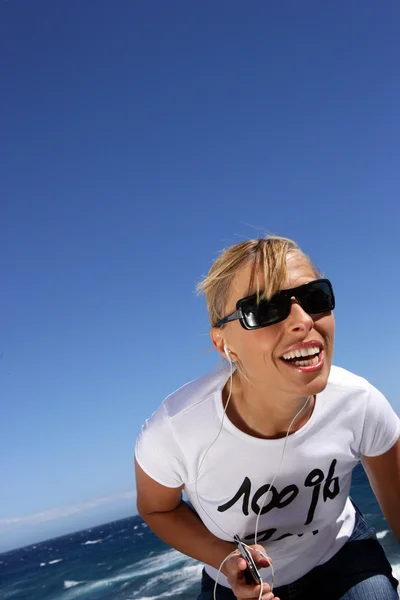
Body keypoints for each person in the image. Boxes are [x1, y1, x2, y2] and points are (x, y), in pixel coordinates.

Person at [134, 236, 400, 600]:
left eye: (315, 298)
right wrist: (226, 559)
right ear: (223, 343)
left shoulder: (359, 402)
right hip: (233, 581)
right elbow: (155, 507)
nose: (303, 321)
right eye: (264, 309)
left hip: (341, 554)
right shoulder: (176, 430)